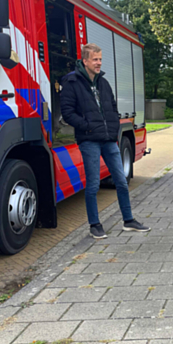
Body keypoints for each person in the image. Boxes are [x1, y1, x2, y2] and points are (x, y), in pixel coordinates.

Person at [60, 43, 149, 239]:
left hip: (109, 139)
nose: (99, 63)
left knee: (121, 180)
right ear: (85, 61)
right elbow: (67, 113)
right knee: (93, 185)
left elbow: (112, 106)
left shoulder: (103, 82)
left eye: (100, 59)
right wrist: (87, 126)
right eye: (95, 59)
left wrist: (114, 126)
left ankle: (129, 221)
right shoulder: (72, 82)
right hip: (89, 140)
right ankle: (95, 225)